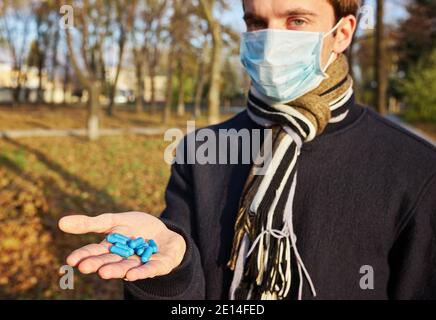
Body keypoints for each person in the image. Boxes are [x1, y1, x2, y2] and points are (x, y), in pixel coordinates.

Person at [59, 0, 436, 300]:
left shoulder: (415, 169)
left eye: (297, 21)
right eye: (256, 22)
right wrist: (170, 277)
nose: (271, 43)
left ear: (342, 33)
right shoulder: (202, 151)